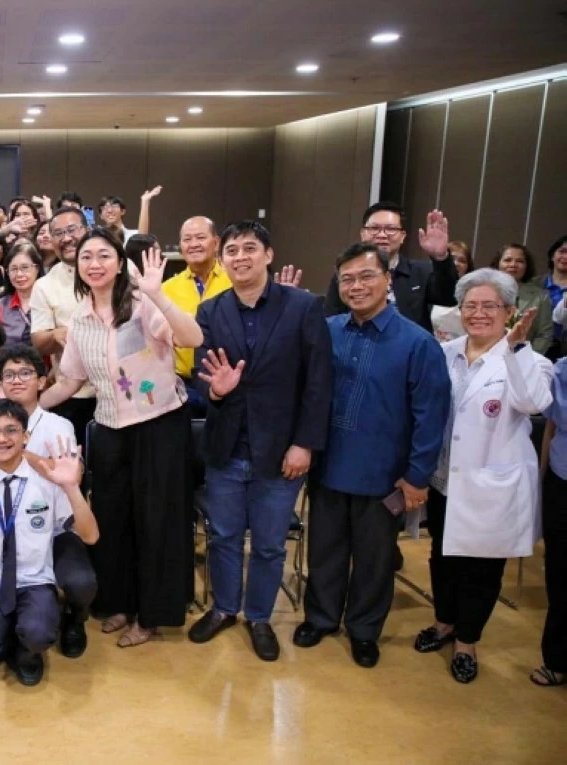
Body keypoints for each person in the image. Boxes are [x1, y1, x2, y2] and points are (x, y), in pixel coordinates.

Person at [39, 230, 203, 646]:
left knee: (157, 520)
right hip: (110, 427)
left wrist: (159, 296)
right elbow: (71, 381)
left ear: (119, 262)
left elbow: (192, 338)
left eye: (104, 255)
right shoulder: (80, 318)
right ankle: (120, 602)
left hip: (160, 425)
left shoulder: (143, 303)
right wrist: (27, 407)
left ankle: (151, 614)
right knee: (113, 519)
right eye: (86, 256)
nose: (95, 263)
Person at [294, 242, 451, 668]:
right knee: (324, 551)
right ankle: (321, 618)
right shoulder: (328, 332)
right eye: (347, 279)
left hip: (385, 476)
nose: (357, 286)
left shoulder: (418, 344)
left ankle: (364, 630)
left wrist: (417, 476)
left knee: (375, 560)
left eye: (366, 277)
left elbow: (430, 418)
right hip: (328, 467)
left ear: (387, 280)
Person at [187, 221, 333, 661]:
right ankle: (225, 608)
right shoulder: (211, 311)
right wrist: (217, 389)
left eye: (250, 248)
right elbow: (202, 373)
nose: (240, 257)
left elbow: (318, 382)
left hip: (281, 449)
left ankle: (259, 616)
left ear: (268, 255)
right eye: (231, 250)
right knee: (224, 535)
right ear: (222, 258)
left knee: (270, 544)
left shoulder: (304, 307)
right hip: (226, 445)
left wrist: (304, 444)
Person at [415, 269, 551, 683]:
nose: (478, 314)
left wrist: (517, 349)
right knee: (442, 555)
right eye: (470, 305)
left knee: (482, 568)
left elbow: (533, 402)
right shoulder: (445, 351)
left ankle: (467, 641)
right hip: (444, 478)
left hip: (491, 482)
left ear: (509, 311)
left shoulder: (529, 360)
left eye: (489, 306)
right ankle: (444, 622)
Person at [0, 345, 96, 657]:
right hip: (1, 523)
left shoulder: (59, 425)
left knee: (80, 580)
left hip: (51, 522)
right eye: (8, 375)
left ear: (42, 381)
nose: (16, 380)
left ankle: (73, 619)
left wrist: (20, 452)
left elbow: (70, 472)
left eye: (25, 373)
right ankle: (3, 624)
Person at [324, 202, 457, 333]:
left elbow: (450, 298)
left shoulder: (420, 271)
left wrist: (441, 258)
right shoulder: (348, 274)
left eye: (391, 229)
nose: (382, 235)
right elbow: (331, 317)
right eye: (374, 228)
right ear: (363, 234)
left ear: (402, 236)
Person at [30, 207, 96, 447]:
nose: (66, 238)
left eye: (72, 230)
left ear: (87, 230)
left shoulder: (118, 269)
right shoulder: (45, 285)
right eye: (58, 233)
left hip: (120, 391)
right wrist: (56, 335)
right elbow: (38, 340)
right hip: (72, 394)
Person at [161, 216, 233, 412]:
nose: (193, 244)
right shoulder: (165, 289)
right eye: (187, 239)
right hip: (180, 385)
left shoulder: (234, 282)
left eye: (200, 237)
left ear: (216, 242)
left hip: (227, 383)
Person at [535, 354, 567, 687]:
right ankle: (557, 657)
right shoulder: (562, 369)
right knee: (559, 574)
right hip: (562, 480)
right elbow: (551, 429)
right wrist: (540, 481)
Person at [490, 244, 554, 354]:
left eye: (520, 261)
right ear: (498, 264)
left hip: (523, 359)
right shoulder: (484, 291)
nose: (513, 265)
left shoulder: (541, 296)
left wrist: (526, 358)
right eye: (507, 260)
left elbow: (544, 335)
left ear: (526, 266)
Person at [0, 240, 45, 348]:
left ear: (37, 268)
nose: (19, 274)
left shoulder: (49, 301)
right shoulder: (0, 306)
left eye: (25, 268)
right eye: (13, 269)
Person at [431, 241, 475, 342]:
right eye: (452, 258)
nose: (456, 264)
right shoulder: (429, 287)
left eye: (462, 261)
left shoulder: (473, 292)